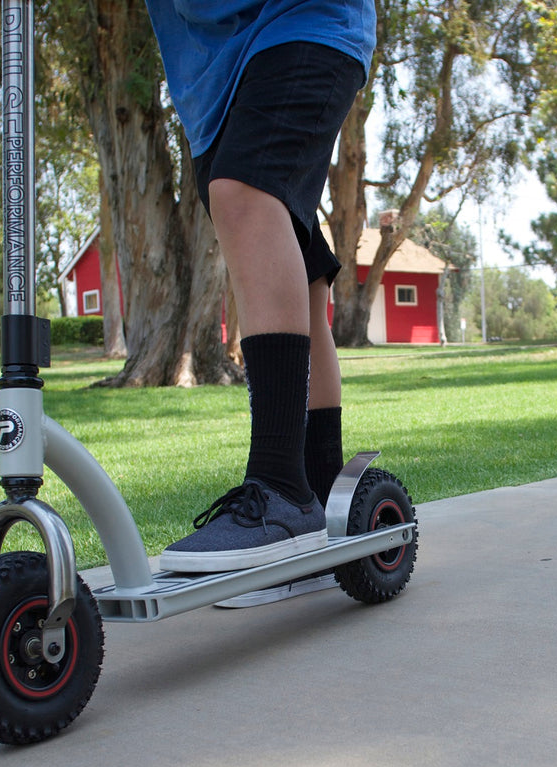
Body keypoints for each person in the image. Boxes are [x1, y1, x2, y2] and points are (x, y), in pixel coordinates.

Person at [144, 0, 376, 581]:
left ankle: (280, 487)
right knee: (294, 256)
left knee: (244, 193)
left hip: (305, 17)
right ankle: (320, 493)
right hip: (209, 80)